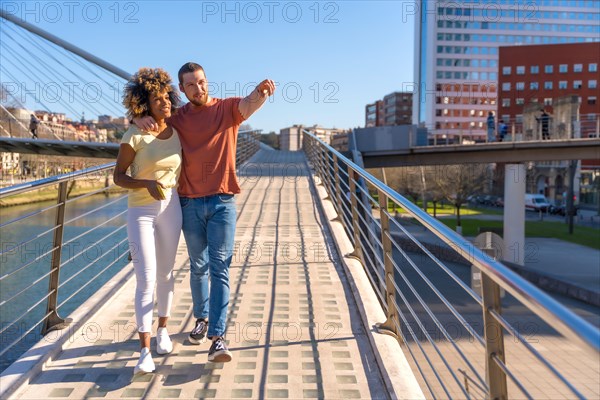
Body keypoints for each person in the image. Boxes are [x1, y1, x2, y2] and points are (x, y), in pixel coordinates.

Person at [135, 62, 275, 363]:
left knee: (219, 268)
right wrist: (138, 117)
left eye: (201, 82)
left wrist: (261, 91)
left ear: (206, 82)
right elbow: (153, 121)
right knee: (198, 266)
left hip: (223, 202)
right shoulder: (179, 117)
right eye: (190, 85)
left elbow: (249, 103)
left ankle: (218, 337)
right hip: (189, 203)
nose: (198, 89)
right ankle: (201, 318)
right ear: (183, 91)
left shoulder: (227, 109)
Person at [114, 68, 183, 375]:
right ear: (145, 104)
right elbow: (118, 177)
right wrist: (144, 184)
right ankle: (144, 350)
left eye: (166, 96)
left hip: (172, 208)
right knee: (146, 277)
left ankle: (164, 330)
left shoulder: (179, 128)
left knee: (167, 275)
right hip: (140, 212)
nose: (164, 102)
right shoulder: (135, 134)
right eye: (157, 99)